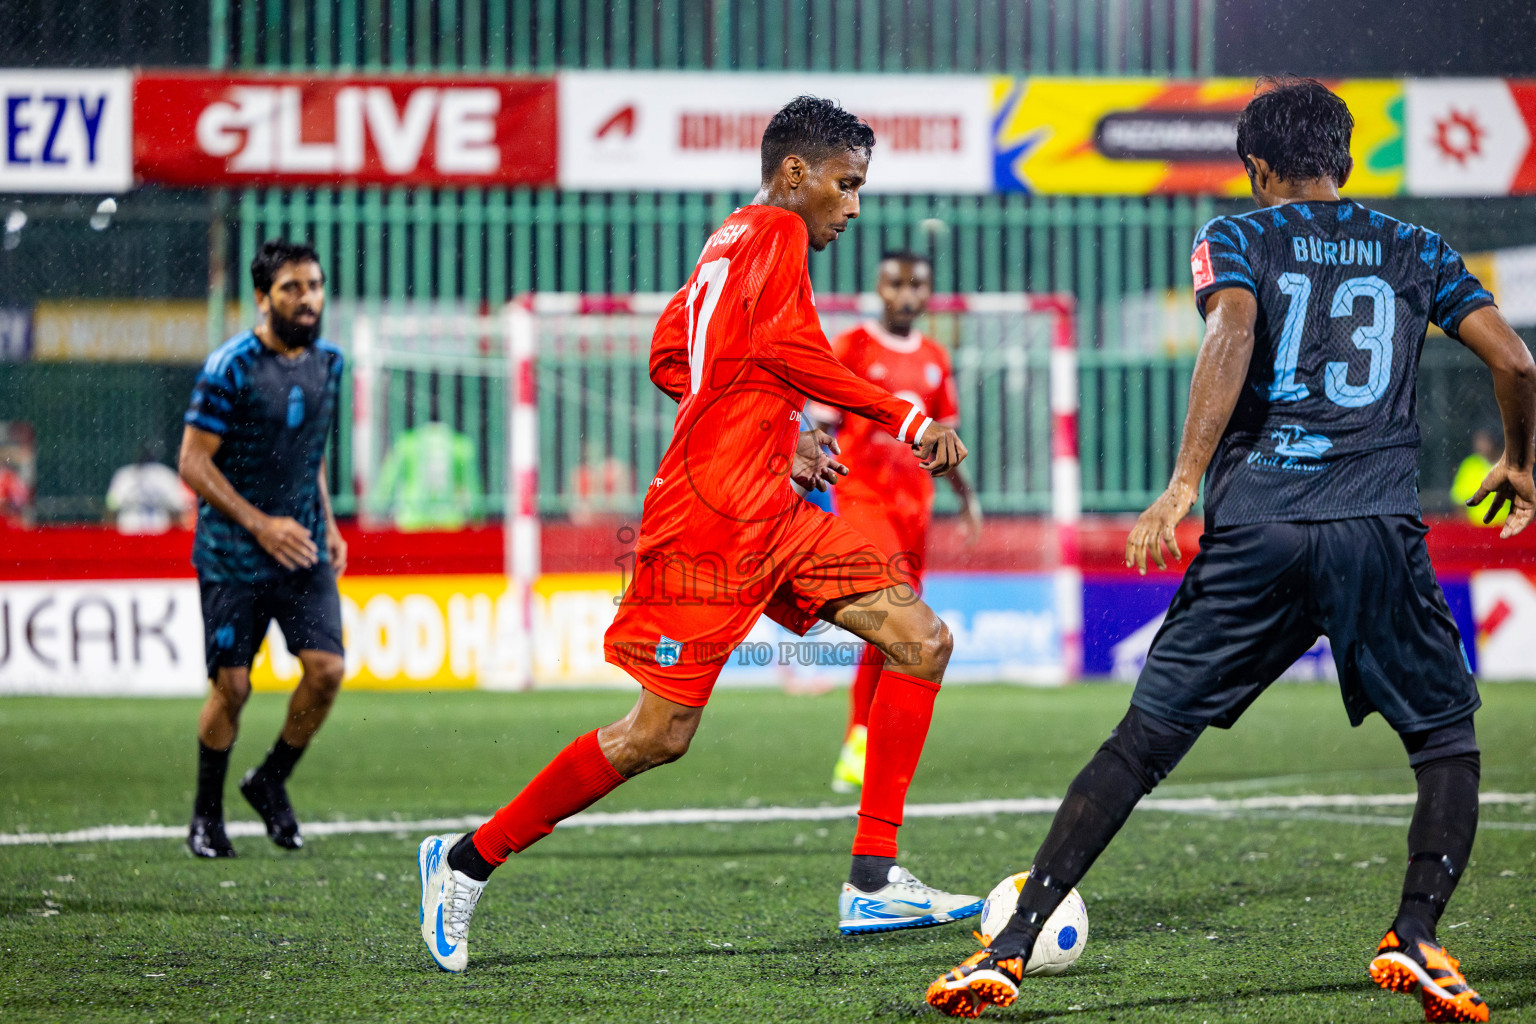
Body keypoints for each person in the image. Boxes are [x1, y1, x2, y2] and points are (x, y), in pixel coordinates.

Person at [927, 77, 1534, 1022]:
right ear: (1345, 157)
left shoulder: (1241, 237)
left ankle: (1008, 947)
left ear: (1256, 168)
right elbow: (1516, 361)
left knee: (1141, 744)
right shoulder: (1415, 246)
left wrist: (1180, 484)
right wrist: (1520, 465)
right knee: (1446, 742)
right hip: (1375, 526)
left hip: (1260, 527)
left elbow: (1234, 329)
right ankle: (1415, 933)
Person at [417, 95, 981, 974]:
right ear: (797, 173)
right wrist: (908, 419)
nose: (855, 205)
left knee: (921, 638)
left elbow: (671, 354)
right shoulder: (780, 234)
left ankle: (873, 880)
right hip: (708, 519)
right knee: (656, 737)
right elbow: (798, 352)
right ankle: (464, 861)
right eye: (847, 183)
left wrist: (765, 428)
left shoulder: (726, 239)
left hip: (773, 505)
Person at [178, 238, 349, 859]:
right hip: (232, 556)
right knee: (233, 688)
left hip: (300, 546)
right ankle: (205, 816)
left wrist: (326, 522)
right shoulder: (229, 368)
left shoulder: (330, 363)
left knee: (327, 671)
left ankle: (270, 780)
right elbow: (193, 463)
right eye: (292, 289)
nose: (308, 299)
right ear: (261, 298)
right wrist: (260, 523)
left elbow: (310, 452)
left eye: (315, 285)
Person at [809, 250, 982, 793]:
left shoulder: (935, 356)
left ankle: (865, 741)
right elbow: (818, 426)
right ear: (878, 288)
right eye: (895, 284)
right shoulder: (853, 346)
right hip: (863, 499)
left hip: (913, 507)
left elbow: (945, 440)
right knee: (898, 610)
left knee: (894, 632)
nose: (906, 295)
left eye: (917, 286)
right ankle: (862, 741)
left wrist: (965, 497)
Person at [371, 420, 482, 531]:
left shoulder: (407, 443)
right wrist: (477, 515)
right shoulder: (460, 444)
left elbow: (388, 483)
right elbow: (473, 490)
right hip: (449, 522)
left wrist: (377, 508)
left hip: (413, 521)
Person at [105, 440, 196, 534]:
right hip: (137, 533)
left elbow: (180, 508)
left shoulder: (164, 475)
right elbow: (111, 507)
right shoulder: (125, 476)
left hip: (152, 533)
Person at [1450, 428, 1508, 527]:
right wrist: (1467, 528)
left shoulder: (1509, 465)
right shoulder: (1469, 465)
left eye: (1484, 441)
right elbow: (1459, 501)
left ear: (1494, 442)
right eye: (1478, 441)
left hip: (1505, 527)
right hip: (1475, 528)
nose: (1479, 445)